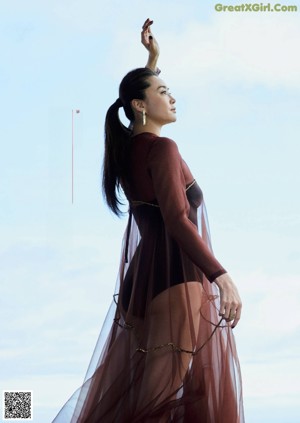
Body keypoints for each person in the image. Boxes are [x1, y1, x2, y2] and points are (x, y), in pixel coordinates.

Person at [52, 19, 244, 423]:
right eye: (162, 92)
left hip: (143, 288)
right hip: (178, 280)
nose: (172, 97)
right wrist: (221, 275)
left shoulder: (127, 154)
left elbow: (161, 217)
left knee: (146, 396)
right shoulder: (164, 149)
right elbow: (176, 219)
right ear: (140, 105)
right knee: (155, 404)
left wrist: (153, 62)